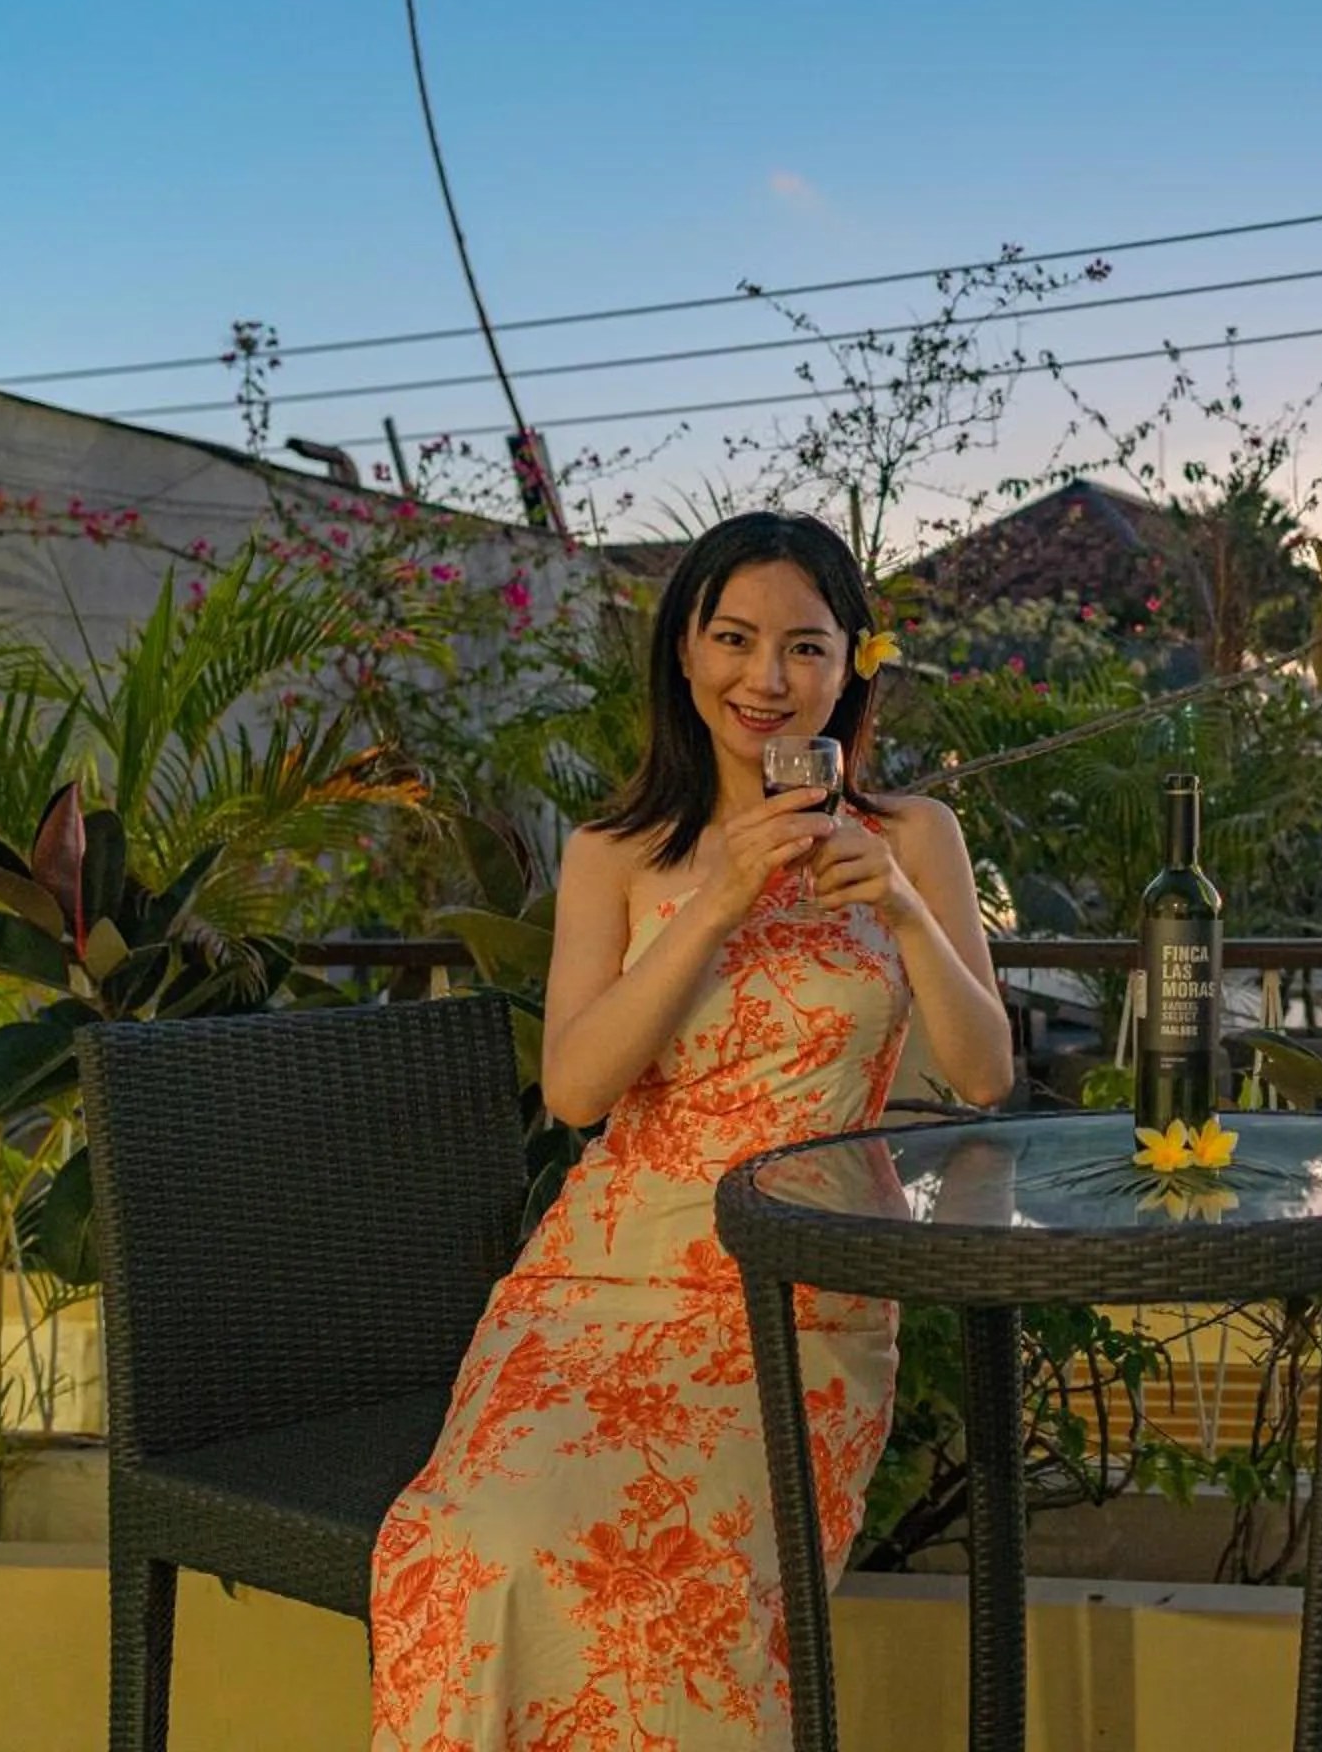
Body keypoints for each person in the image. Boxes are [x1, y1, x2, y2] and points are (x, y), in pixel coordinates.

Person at [367, 512, 1013, 1750]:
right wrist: (717, 897)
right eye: (734, 639)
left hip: (804, 1287)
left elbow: (984, 1076)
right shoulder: (616, 852)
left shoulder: (913, 835)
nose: (765, 679)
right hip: (601, 1280)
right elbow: (576, 1091)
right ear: (684, 652)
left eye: (806, 647)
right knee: (470, 1551)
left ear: (852, 665)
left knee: (668, 1592)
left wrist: (912, 921)